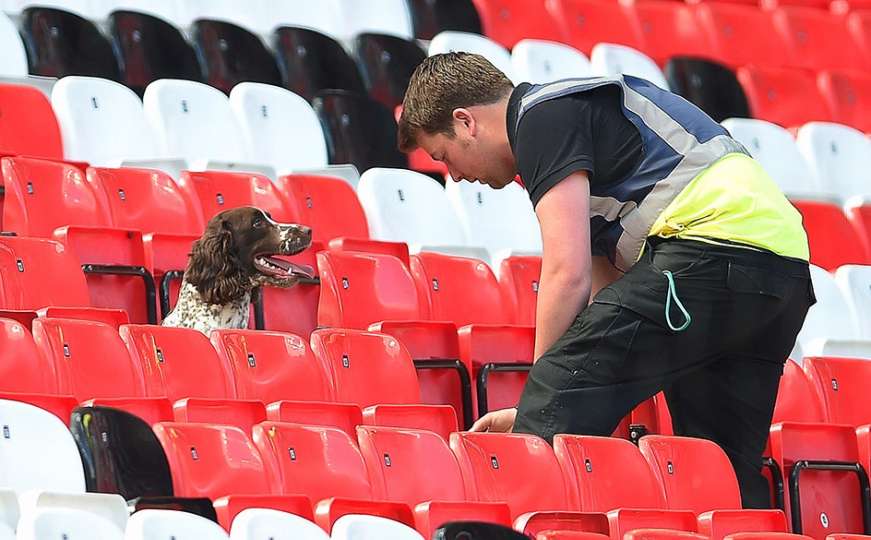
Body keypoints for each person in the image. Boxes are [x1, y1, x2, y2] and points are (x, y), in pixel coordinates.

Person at [396, 52, 815, 508]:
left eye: (444, 156)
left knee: (558, 381)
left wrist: (544, 394)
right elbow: (604, 295)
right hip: (780, 273)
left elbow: (565, 272)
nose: (455, 176)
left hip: (709, 250)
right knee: (718, 468)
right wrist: (547, 399)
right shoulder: (579, 131)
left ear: (465, 122)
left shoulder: (542, 118)